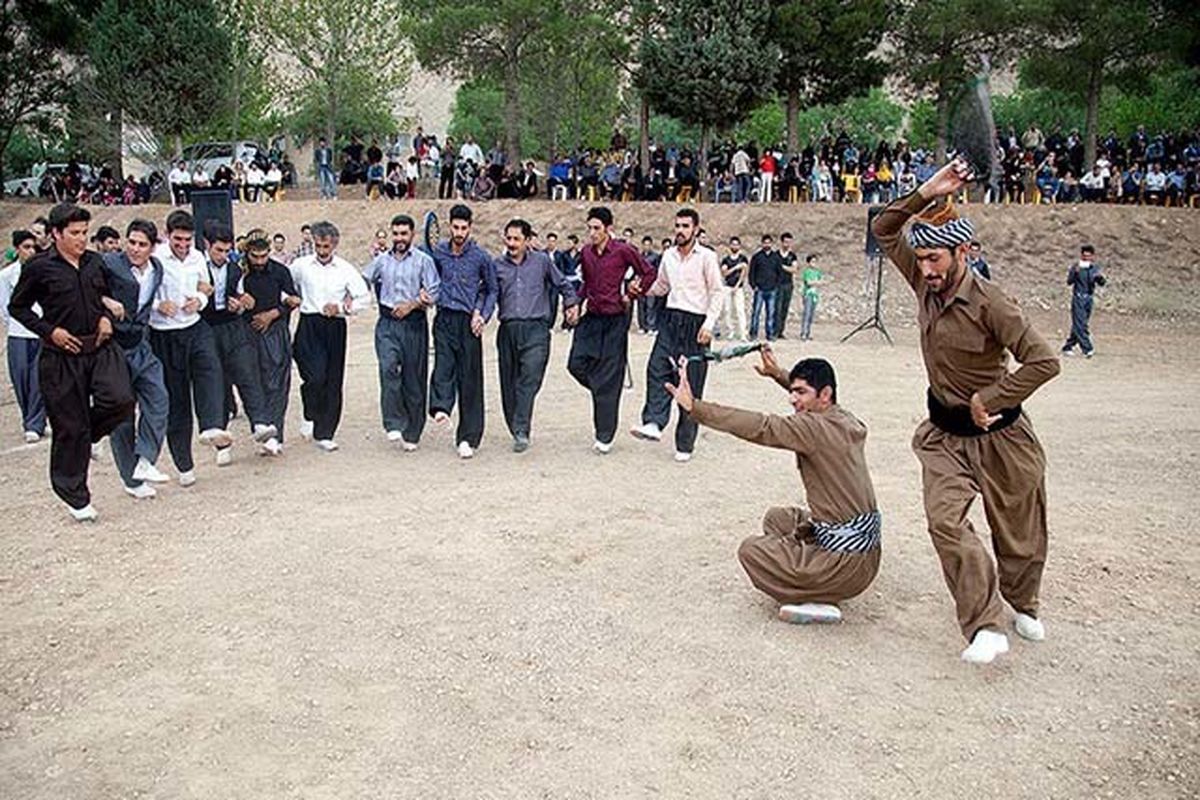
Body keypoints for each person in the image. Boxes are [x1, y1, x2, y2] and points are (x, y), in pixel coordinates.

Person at [872, 157, 1061, 664]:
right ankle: (984, 623)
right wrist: (927, 191)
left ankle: (1022, 602)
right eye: (922, 259)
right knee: (945, 524)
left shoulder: (992, 304)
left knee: (1019, 533)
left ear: (963, 251)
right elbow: (884, 227)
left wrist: (992, 399)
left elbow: (1044, 361)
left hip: (1001, 436)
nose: (927, 269)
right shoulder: (922, 280)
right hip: (944, 436)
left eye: (936, 259)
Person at [666, 349, 881, 623]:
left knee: (752, 551)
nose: (793, 399)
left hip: (847, 565)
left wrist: (695, 407)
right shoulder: (844, 419)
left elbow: (761, 426)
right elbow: (806, 397)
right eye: (792, 390)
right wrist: (778, 374)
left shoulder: (813, 429)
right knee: (779, 519)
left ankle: (817, 597)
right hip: (862, 555)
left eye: (800, 392)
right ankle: (813, 575)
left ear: (824, 395)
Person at [7, 203, 135, 521]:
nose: (81, 239)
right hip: (62, 355)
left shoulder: (95, 262)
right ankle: (75, 497)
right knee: (69, 427)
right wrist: (50, 332)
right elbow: (18, 308)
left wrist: (107, 317)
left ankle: (87, 435)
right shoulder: (39, 267)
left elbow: (106, 296)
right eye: (75, 233)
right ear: (56, 234)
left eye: (85, 232)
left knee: (121, 399)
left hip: (100, 347)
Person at [630, 208, 723, 462]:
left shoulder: (706, 257)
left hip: (696, 324)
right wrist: (642, 290)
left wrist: (709, 324)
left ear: (696, 229)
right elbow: (662, 286)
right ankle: (653, 422)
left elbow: (717, 291)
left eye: (685, 226)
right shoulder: (668, 256)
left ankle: (684, 444)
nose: (680, 230)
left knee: (691, 383)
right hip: (671, 319)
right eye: (677, 226)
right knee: (656, 367)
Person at [149, 210, 233, 486]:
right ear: (167, 235)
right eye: (178, 240)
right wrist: (157, 305)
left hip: (194, 326)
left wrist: (198, 299)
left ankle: (211, 425)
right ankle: (184, 464)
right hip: (164, 333)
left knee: (211, 368)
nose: (183, 245)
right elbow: (140, 293)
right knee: (178, 401)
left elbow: (204, 286)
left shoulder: (198, 257)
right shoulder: (156, 258)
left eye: (187, 240)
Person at [566, 206, 656, 453]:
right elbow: (586, 283)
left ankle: (604, 436)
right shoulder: (585, 252)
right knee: (575, 364)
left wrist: (632, 293)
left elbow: (648, 273)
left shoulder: (624, 250)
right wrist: (575, 303)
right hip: (592, 318)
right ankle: (604, 387)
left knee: (609, 374)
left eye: (596, 228)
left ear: (608, 229)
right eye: (589, 228)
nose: (592, 233)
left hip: (616, 319)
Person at [493, 218, 579, 452]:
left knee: (529, 378)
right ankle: (516, 426)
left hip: (536, 330)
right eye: (508, 238)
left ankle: (521, 428)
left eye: (516, 239)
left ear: (528, 241)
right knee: (509, 383)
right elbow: (488, 293)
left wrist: (571, 304)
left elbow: (564, 284)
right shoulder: (497, 265)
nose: (511, 243)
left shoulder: (542, 262)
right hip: (508, 330)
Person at [101, 219, 170, 499]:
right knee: (122, 414)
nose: (135, 249)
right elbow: (85, 285)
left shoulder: (158, 269)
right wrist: (106, 301)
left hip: (140, 343)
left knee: (159, 397)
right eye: (132, 242)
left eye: (142, 244)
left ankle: (145, 460)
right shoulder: (108, 263)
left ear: (153, 247)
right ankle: (131, 481)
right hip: (114, 348)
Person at [200, 223, 279, 465]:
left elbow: (245, 297)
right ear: (207, 245)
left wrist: (242, 302)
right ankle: (222, 444)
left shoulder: (235, 268)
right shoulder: (196, 267)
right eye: (218, 250)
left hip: (233, 326)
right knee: (217, 383)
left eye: (227, 250)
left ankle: (260, 424)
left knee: (248, 373)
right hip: (207, 327)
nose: (223, 255)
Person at [288, 221, 370, 451]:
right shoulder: (301, 265)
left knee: (333, 380)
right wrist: (291, 299)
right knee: (313, 376)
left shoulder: (345, 269)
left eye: (326, 246)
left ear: (334, 245)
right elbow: (286, 284)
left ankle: (325, 431)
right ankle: (310, 412)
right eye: (318, 245)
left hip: (334, 325)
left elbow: (363, 298)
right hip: (309, 322)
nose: (322, 251)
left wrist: (343, 308)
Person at [362, 214, 440, 451]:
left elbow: (434, 291)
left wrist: (415, 303)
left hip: (414, 323)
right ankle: (393, 422)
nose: (399, 238)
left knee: (414, 378)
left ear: (412, 235)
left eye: (404, 234)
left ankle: (413, 431)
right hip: (387, 323)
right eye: (396, 233)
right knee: (388, 368)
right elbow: (363, 279)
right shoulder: (381, 261)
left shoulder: (423, 261)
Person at [428, 204, 497, 459]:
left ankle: (468, 437)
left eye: (464, 228)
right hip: (444, 317)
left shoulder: (480, 257)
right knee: (443, 365)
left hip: (469, 323)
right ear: (449, 226)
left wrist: (482, 314)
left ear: (470, 227)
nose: (459, 232)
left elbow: (491, 290)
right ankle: (441, 407)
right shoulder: (437, 253)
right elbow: (428, 279)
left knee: (470, 379)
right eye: (455, 227)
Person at [240, 231, 299, 455]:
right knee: (252, 382)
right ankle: (260, 426)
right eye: (255, 257)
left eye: (264, 256)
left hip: (275, 332)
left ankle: (275, 435)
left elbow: (293, 299)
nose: (260, 261)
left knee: (277, 384)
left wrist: (273, 314)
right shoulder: (240, 273)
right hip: (247, 332)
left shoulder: (280, 271)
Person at [0, 230, 47, 442]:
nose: (30, 251)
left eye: (33, 247)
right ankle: (29, 417)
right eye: (26, 247)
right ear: (17, 249)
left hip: (40, 331)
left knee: (39, 377)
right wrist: (16, 323)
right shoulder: (6, 275)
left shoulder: (42, 271)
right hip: (18, 332)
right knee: (21, 378)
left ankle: (35, 423)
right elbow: (4, 306)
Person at [1062, 244, 1107, 358]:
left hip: (1089, 299)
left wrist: (1099, 278)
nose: (1086, 258)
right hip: (1078, 298)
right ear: (1081, 256)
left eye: (1089, 256)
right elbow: (1069, 282)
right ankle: (1087, 348)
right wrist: (1075, 273)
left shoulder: (1094, 268)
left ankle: (1068, 346)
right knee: (1081, 325)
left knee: (1079, 324)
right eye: (1084, 256)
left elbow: (1102, 283)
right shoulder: (1076, 267)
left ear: (1092, 257)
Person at [748, 234, 781, 340]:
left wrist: (776, 285)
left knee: (770, 313)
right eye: (765, 242)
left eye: (769, 242)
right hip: (760, 289)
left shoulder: (776, 257)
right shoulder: (757, 257)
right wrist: (753, 285)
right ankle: (753, 334)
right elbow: (751, 272)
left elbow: (779, 272)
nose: (767, 244)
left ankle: (770, 334)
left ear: (771, 244)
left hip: (772, 290)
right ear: (762, 243)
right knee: (756, 313)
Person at [719, 236, 749, 341]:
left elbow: (744, 272)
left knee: (740, 310)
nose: (734, 246)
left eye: (736, 244)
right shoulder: (725, 260)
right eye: (733, 244)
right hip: (727, 287)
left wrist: (737, 286)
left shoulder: (743, 258)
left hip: (738, 288)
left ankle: (743, 334)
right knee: (727, 310)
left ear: (739, 246)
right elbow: (724, 273)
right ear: (730, 246)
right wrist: (736, 267)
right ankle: (730, 332)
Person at [636, 235, 662, 335]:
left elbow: (658, 271)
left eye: (648, 245)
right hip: (641, 284)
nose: (646, 246)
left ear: (651, 245)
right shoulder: (639, 256)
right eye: (645, 245)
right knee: (641, 306)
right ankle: (642, 326)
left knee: (650, 305)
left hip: (651, 285)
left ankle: (651, 326)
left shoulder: (655, 257)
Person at [774, 232, 798, 338]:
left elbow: (794, 269)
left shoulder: (792, 256)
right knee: (777, 309)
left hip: (788, 284)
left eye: (789, 242)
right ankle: (774, 331)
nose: (787, 244)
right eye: (786, 242)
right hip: (777, 284)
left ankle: (780, 331)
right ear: (781, 242)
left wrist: (782, 267)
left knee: (784, 309)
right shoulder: (775, 255)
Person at [799, 254, 826, 341]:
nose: (814, 263)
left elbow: (822, 282)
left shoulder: (818, 272)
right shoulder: (807, 272)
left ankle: (808, 333)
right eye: (812, 261)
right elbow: (808, 282)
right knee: (806, 314)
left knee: (811, 314)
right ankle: (803, 332)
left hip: (815, 295)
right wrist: (816, 282)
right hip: (808, 294)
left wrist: (816, 282)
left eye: (815, 261)